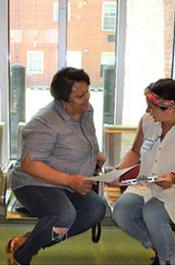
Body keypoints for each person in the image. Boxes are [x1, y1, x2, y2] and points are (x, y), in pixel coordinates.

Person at [8, 67, 106, 265]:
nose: (87, 98)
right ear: (64, 99)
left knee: (96, 209)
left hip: (70, 183)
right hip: (35, 183)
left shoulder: (86, 111)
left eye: (87, 91)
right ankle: (21, 257)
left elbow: (87, 137)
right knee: (63, 216)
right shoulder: (44, 122)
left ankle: (30, 241)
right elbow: (29, 164)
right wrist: (70, 180)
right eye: (80, 95)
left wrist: (95, 153)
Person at [112, 78, 175, 265]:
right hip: (149, 184)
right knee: (121, 212)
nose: (147, 111)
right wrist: (118, 171)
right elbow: (135, 152)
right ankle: (164, 250)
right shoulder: (149, 121)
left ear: (170, 108)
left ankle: (166, 261)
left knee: (152, 212)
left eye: (151, 107)